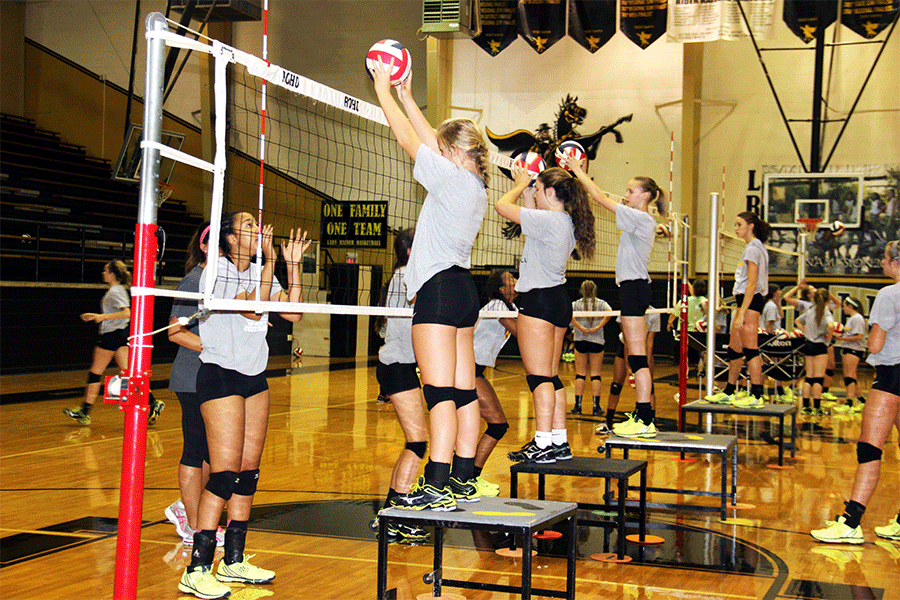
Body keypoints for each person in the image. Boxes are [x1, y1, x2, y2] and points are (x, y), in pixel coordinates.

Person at [371, 58, 489, 509]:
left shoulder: (451, 179)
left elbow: (407, 138)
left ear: (453, 153)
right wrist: (407, 96)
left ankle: (436, 484)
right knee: (462, 391)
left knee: (439, 394)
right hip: (463, 292)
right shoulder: (474, 184)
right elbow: (429, 141)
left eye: (443, 147)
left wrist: (383, 89)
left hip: (438, 294)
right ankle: (461, 477)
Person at [178, 213, 309, 599]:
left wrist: (293, 265)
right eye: (248, 226)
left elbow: (294, 312)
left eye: (258, 225)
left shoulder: (260, 269)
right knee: (223, 473)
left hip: (254, 378)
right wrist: (269, 263)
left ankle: (234, 559)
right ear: (229, 238)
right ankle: (198, 567)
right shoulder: (214, 272)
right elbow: (253, 308)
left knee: (248, 473)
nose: (258, 231)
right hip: (219, 375)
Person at [497, 165, 595, 463]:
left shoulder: (549, 221)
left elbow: (502, 206)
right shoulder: (562, 221)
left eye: (539, 190)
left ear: (551, 192)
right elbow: (530, 219)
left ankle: (542, 444)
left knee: (538, 377)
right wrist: (529, 191)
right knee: (551, 377)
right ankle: (558, 441)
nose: (535, 195)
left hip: (538, 302)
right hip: (557, 300)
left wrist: (519, 183)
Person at [567, 157, 666, 438]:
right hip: (633, 288)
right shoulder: (642, 219)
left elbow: (598, 197)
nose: (627, 195)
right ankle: (643, 415)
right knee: (637, 358)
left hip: (634, 289)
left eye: (632, 191)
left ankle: (645, 419)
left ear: (645, 195)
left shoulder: (639, 216)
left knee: (638, 359)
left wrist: (579, 172)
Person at [810, 240, 900, 545]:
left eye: (885, 259)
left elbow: (874, 345)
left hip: (891, 376)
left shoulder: (889, 294)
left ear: (893, 262)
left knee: (869, 449)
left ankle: (851, 522)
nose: (882, 264)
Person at [163, 223, 223, 547]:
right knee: (196, 450)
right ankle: (195, 528)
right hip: (191, 378)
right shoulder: (192, 282)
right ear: (205, 247)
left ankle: (188, 509)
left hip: (215, 377)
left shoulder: (222, 282)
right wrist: (214, 346)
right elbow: (175, 333)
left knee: (216, 456)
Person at [370, 228, 430, 543]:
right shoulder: (408, 275)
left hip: (400, 365)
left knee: (414, 442)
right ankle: (397, 516)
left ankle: (391, 516)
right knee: (417, 443)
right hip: (396, 367)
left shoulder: (407, 274)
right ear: (409, 250)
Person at [64, 260, 164, 426]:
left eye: (105, 271)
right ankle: (153, 403)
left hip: (111, 336)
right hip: (120, 336)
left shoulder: (115, 291)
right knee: (129, 374)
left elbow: (127, 313)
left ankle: (84, 411)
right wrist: (98, 315)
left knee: (95, 372)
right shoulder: (117, 290)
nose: (103, 273)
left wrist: (102, 317)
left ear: (112, 274)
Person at [705, 212, 771, 409]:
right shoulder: (755, 247)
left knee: (751, 349)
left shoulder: (753, 249)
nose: (735, 228)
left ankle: (757, 394)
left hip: (750, 302)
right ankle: (729, 391)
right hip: (745, 301)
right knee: (735, 348)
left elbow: (752, 284)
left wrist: (742, 312)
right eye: (735, 224)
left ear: (751, 226)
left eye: (739, 224)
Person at [471, 269, 518, 493]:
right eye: (511, 280)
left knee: (496, 425)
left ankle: (468, 477)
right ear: (501, 289)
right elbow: (520, 332)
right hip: (466, 369)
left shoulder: (512, 308)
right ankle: (468, 479)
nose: (516, 282)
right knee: (497, 425)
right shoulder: (497, 306)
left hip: (474, 370)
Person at [600, 309, 660, 436]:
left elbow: (650, 344)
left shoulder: (655, 313)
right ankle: (608, 423)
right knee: (616, 386)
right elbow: (627, 340)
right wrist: (629, 368)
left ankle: (650, 422)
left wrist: (645, 368)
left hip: (643, 350)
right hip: (625, 348)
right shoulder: (628, 308)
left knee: (650, 388)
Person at [784, 280, 841, 400]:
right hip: (818, 341)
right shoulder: (806, 305)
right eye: (812, 290)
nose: (815, 290)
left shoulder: (820, 307)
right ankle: (815, 401)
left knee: (827, 367)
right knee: (816, 375)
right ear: (809, 295)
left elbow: (838, 303)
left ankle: (814, 398)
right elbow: (787, 298)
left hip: (813, 341)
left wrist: (828, 294)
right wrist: (798, 287)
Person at [570, 280, 612, 416]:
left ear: (582, 291)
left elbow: (568, 314)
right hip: (597, 341)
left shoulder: (576, 304)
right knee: (595, 374)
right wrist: (598, 327)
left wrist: (580, 328)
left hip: (581, 340)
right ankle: (596, 407)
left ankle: (578, 406)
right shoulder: (601, 303)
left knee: (580, 374)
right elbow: (610, 312)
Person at [796, 288, 835, 415]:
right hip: (819, 346)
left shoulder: (810, 310)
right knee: (818, 378)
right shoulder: (826, 311)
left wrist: (804, 330)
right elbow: (831, 326)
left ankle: (806, 406)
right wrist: (829, 337)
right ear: (827, 300)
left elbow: (798, 321)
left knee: (809, 377)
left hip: (808, 344)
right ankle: (817, 407)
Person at [832, 297, 867, 414]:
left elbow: (859, 336)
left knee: (849, 376)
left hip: (854, 349)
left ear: (851, 306)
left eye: (844, 306)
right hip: (849, 349)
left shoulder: (857, 318)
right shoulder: (853, 318)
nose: (843, 308)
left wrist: (841, 338)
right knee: (850, 376)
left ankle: (849, 403)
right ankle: (862, 401)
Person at [760, 284, 792, 403]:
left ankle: (778, 391)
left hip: (773, 339)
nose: (780, 292)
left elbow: (782, 316)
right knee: (768, 365)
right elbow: (769, 324)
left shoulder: (773, 305)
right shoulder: (771, 306)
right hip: (771, 339)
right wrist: (770, 341)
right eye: (779, 290)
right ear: (774, 292)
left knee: (775, 364)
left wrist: (778, 302)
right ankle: (762, 390)